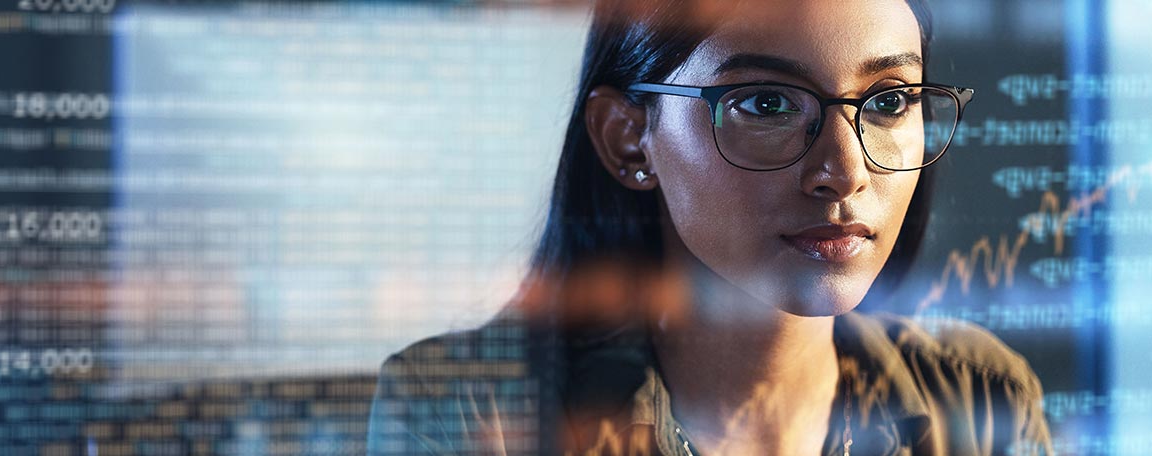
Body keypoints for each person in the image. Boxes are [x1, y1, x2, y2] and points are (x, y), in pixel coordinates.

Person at [367, 0, 1054, 454]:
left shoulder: (981, 399)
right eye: (765, 102)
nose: (844, 172)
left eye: (890, 100)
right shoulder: (469, 407)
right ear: (628, 138)